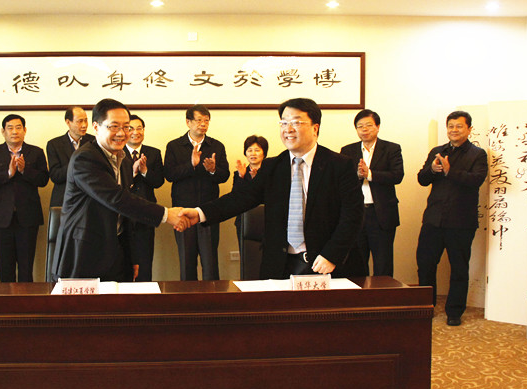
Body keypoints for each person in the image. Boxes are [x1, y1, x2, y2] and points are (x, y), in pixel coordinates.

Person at [182, 98, 364, 279]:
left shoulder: (339, 165)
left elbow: (353, 215)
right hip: (280, 265)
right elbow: (240, 198)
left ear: (315, 128)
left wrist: (332, 255)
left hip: (326, 264)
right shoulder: (273, 167)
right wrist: (200, 213)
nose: (288, 129)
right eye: (283, 123)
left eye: (296, 122)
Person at [51, 99, 188, 282]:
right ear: (96, 127)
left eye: (126, 127)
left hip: (117, 254)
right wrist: (166, 215)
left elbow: (124, 216)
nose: (122, 133)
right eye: (114, 126)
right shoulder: (85, 158)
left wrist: (132, 257)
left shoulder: (123, 159)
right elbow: (117, 199)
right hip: (84, 255)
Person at [416, 110, 488, 327]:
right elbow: (422, 179)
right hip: (433, 219)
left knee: (458, 267)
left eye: (459, 126)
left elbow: (476, 180)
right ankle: (426, 306)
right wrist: (432, 169)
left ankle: (454, 312)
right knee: (425, 264)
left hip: (461, 222)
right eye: (450, 126)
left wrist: (450, 171)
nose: (454, 130)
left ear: (469, 129)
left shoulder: (478, 154)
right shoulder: (437, 151)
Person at [164, 105, 229, 280]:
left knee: (210, 262)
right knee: (187, 261)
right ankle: (188, 295)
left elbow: (224, 176)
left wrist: (213, 170)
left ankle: (212, 295)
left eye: (206, 121)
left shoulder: (216, 146)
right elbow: (169, 175)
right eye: (199, 120)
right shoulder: (174, 146)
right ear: (188, 122)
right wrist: (191, 165)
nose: (203, 124)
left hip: (209, 210)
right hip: (182, 212)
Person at [0, 114, 49, 282]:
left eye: (18, 127)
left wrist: (25, 170)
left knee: (26, 267)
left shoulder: (36, 152)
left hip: (28, 217)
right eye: (10, 128)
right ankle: (7, 298)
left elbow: (43, 180)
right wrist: (8, 174)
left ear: (24, 130)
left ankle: (26, 298)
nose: (14, 131)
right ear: (3, 131)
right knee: (5, 267)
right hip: (2, 217)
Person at [340, 109, 404, 277]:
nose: (364, 129)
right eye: (360, 126)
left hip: (381, 214)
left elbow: (397, 176)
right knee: (356, 263)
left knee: (383, 263)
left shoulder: (391, 149)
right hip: (356, 213)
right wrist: (357, 175)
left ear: (378, 127)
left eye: (368, 125)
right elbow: (340, 181)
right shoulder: (347, 150)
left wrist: (369, 174)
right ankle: (360, 293)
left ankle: (383, 293)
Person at [125, 114, 165, 281]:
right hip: (123, 213)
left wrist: (145, 171)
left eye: (139, 128)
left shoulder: (153, 153)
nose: (136, 132)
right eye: (131, 128)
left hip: (146, 213)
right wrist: (133, 173)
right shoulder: (117, 152)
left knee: (145, 258)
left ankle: (145, 292)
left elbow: (159, 181)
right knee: (124, 257)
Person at [46, 106, 94, 208]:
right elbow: (55, 176)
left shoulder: (94, 142)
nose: (84, 125)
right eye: (79, 121)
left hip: (89, 198)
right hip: (64, 199)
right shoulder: (54, 144)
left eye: (86, 121)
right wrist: (76, 162)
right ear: (68, 122)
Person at [232, 135, 268, 258]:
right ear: (245, 153)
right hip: (244, 222)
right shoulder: (239, 174)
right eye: (249, 150)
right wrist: (242, 178)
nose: (253, 153)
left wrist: (257, 180)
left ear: (264, 153)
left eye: (257, 150)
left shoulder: (271, 172)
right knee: (247, 257)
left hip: (267, 221)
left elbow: (270, 197)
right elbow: (235, 199)